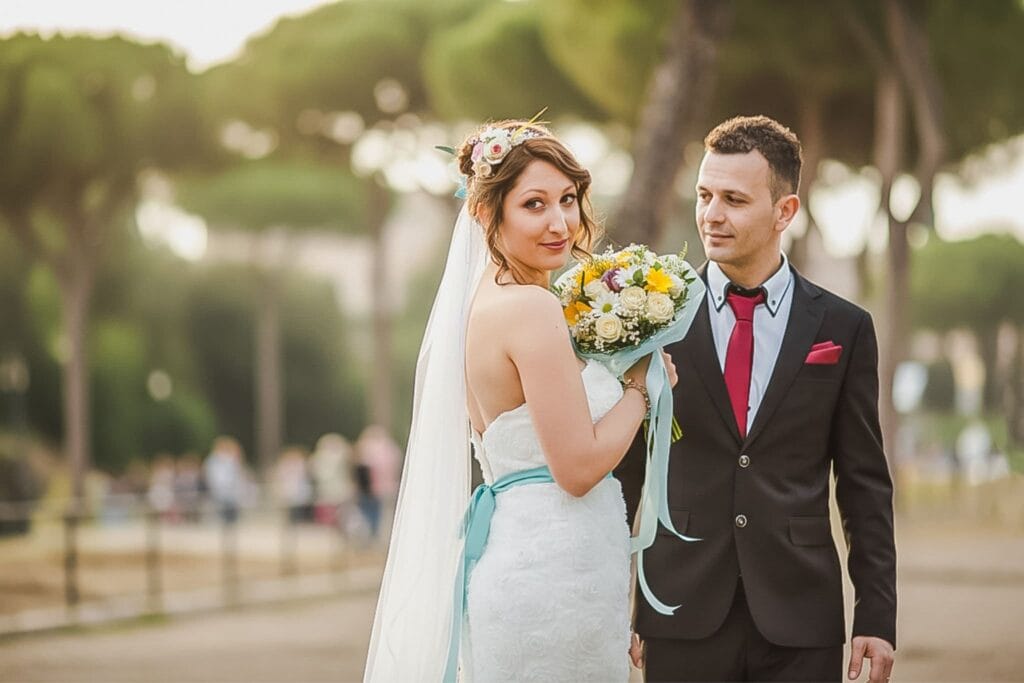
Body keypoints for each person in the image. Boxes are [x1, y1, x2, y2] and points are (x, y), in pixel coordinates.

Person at [364, 119, 677, 682]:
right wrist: (640, 389)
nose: (560, 222)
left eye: (568, 200)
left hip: (527, 558)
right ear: (487, 213)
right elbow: (578, 468)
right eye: (534, 204)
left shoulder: (485, 304)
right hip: (555, 578)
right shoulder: (530, 310)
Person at [616, 115, 897, 683]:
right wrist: (609, 602)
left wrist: (877, 614)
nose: (711, 214)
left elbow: (864, 481)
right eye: (704, 195)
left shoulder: (843, 328)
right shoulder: (652, 319)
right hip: (678, 608)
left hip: (801, 615)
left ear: (784, 212)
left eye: (734, 199)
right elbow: (625, 474)